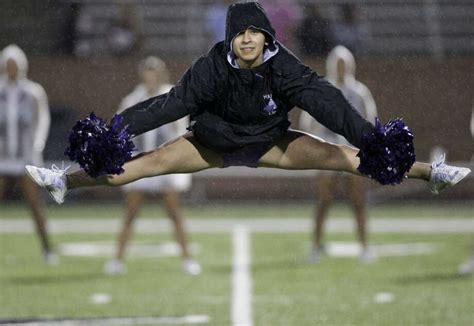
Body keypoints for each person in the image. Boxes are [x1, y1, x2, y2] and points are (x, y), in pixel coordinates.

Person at [25, 1, 470, 223]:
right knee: (137, 167)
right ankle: (64, 179)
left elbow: (327, 104)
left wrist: (369, 137)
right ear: (232, 37)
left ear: (267, 35)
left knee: (351, 159)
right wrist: (113, 129)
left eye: (255, 33)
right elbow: (169, 106)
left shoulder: (285, 66)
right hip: (211, 144)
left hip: (271, 143)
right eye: (241, 34)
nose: (248, 40)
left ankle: (432, 174)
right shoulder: (211, 65)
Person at [103, 56, 200, 276]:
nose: (151, 77)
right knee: (131, 213)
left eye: (154, 72)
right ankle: (117, 260)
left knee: (174, 213)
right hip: (140, 162)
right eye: (148, 72)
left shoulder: (171, 96)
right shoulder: (132, 99)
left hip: (164, 162)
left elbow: (181, 129)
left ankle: (188, 259)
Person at [299, 45, 377, 263]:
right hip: (329, 150)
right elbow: (309, 121)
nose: (341, 69)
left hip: (353, 152)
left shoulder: (359, 92)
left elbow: (370, 121)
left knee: (358, 200)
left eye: (344, 65)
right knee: (323, 200)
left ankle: (365, 247)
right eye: (338, 65)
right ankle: (315, 246)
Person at [0, 45, 57, 265]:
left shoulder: (33, 91)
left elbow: (43, 119)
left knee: (35, 204)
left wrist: (37, 143)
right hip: (3, 157)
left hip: (25, 156)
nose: (12, 69)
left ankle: (47, 248)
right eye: (9, 65)